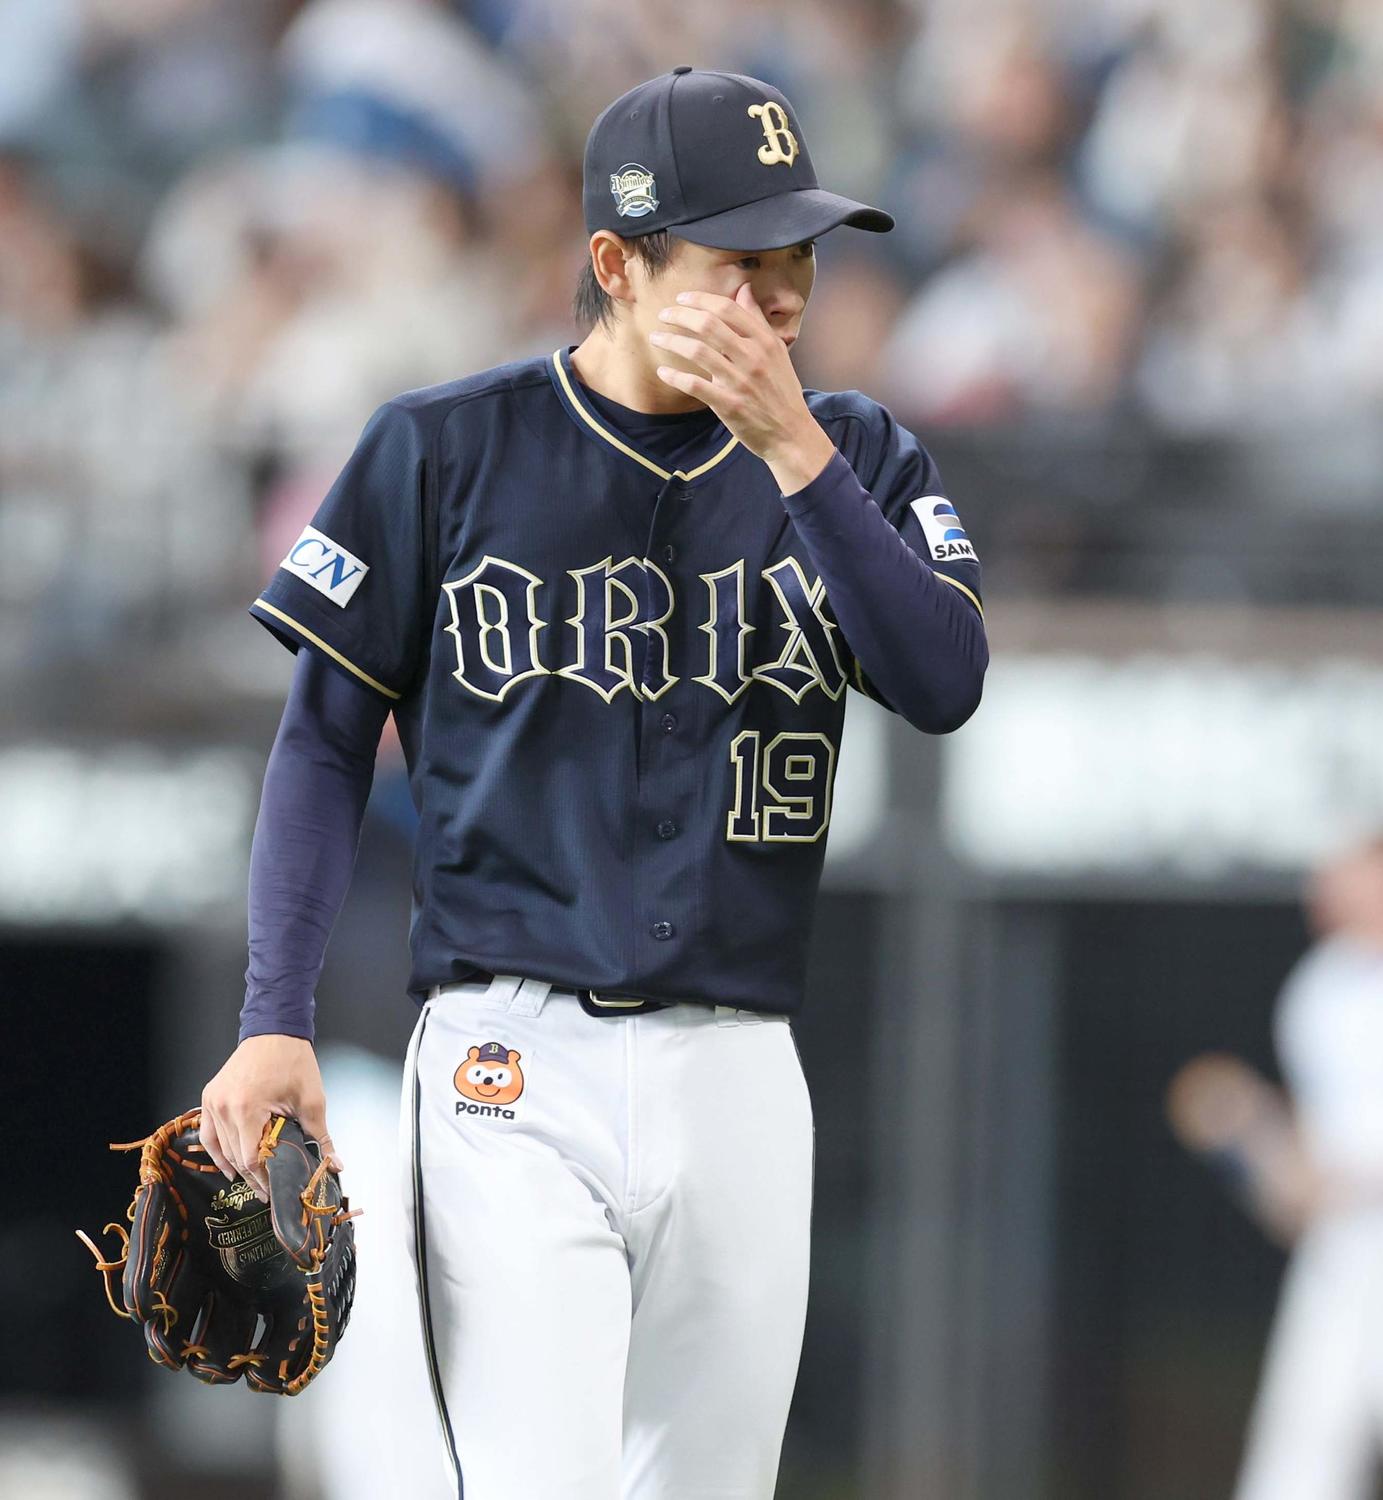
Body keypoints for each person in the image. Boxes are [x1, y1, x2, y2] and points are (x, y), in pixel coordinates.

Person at [199, 67, 987, 1500]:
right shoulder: (444, 447)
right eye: (740, 260)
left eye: (800, 255)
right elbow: (320, 744)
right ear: (617, 265)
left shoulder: (856, 454)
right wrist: (272, 1019)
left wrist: (794, 451)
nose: (782, 297)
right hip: (509, 1060)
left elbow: (941, 680)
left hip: (741, 1064)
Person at [1167, 836, 1383, 1500]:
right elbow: (1306, 1177)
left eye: (1346, 875)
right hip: (1345, 1255)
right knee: (1298, 1463)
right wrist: (1253, 1141)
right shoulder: (1321, 989)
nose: (1324, 893)